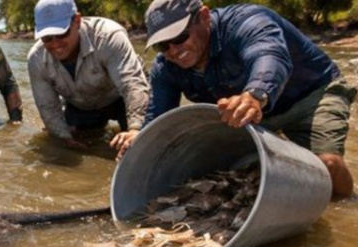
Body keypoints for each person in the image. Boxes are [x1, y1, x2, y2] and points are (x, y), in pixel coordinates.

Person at [118, 0, 355, 199]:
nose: (173, 50)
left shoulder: (248, 22)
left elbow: (269, 54)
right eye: (162, 45)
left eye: (180, 37)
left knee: (328, 166)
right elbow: (159, 117)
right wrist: (140, 138)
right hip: (252, 115)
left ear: (204, 16)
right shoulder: (165, 68)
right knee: (226, 175)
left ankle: (345, 208)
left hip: (311, 95)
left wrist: (255, 95)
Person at [28, 0, 149, 150]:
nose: (55, 44)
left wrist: (135, 129)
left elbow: (132, 84)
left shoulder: (108, 36)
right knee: (72, 144)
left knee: (142, 142)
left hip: (120, 98)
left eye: (61, 33)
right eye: (47, 38)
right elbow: (48, 107)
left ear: (77, 21)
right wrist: (64, 137)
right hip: (82, 105)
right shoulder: (36, 59)